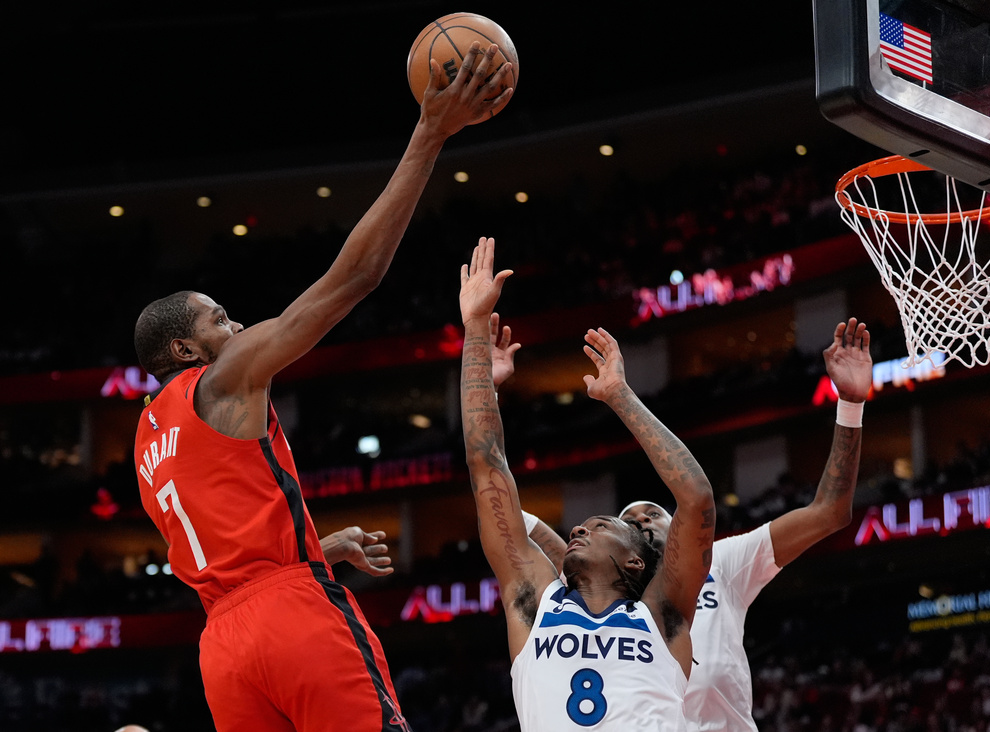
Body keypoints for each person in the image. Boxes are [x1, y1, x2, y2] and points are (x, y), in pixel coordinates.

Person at [131, 44, 513, 732]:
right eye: (220, 319)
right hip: (289, 617)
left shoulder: (145, 436)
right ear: (185, 349)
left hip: (221, 647)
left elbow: (220, 535)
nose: (238, 323)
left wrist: (312, 546)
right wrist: (430, 134)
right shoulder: (220, 377)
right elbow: (352, 280)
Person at [500, 317, 872, 731]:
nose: (641, 522)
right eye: (629, 523)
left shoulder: (723, 563)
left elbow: (830, 512)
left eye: (653, 514)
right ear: (630, 558)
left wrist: (851, 403)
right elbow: (526, 528)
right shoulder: (622, 607)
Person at [459, 237, 716, 730]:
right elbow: (487, 467)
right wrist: (473, 333)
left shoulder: (662, 615)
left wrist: (620, 396)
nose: (579, 528)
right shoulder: (534, 600)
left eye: (601, 525)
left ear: (636, 559)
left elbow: (696, 497)